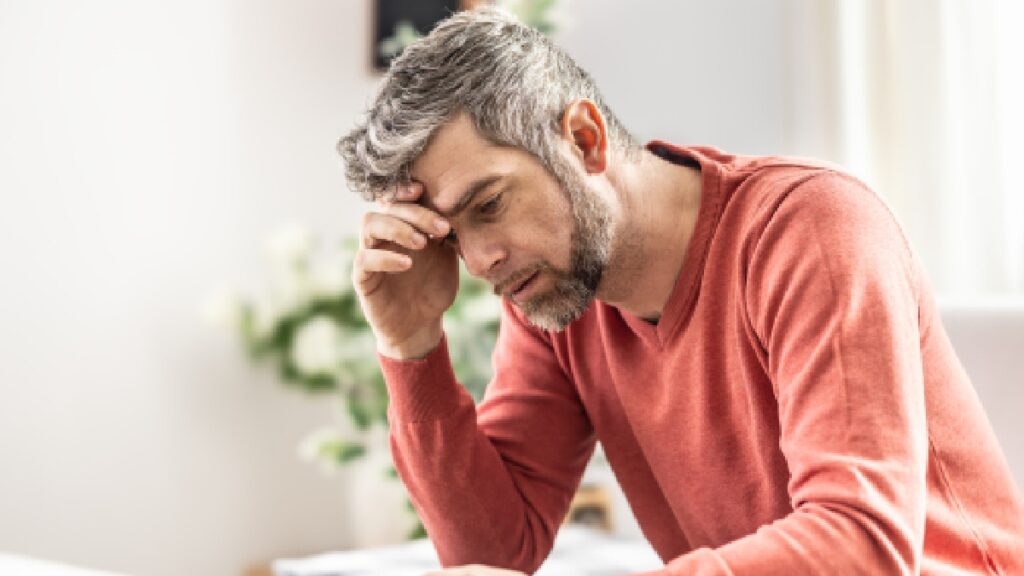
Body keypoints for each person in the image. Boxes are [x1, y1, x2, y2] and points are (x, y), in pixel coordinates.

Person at [337, 7, 1024, 575]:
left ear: (584, 139)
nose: (481, 262)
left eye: (488, 205)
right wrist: (410, 345)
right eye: (451, 237)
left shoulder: (812, 226)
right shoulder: (553, 294)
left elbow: (862, 544)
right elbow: (495, 552)